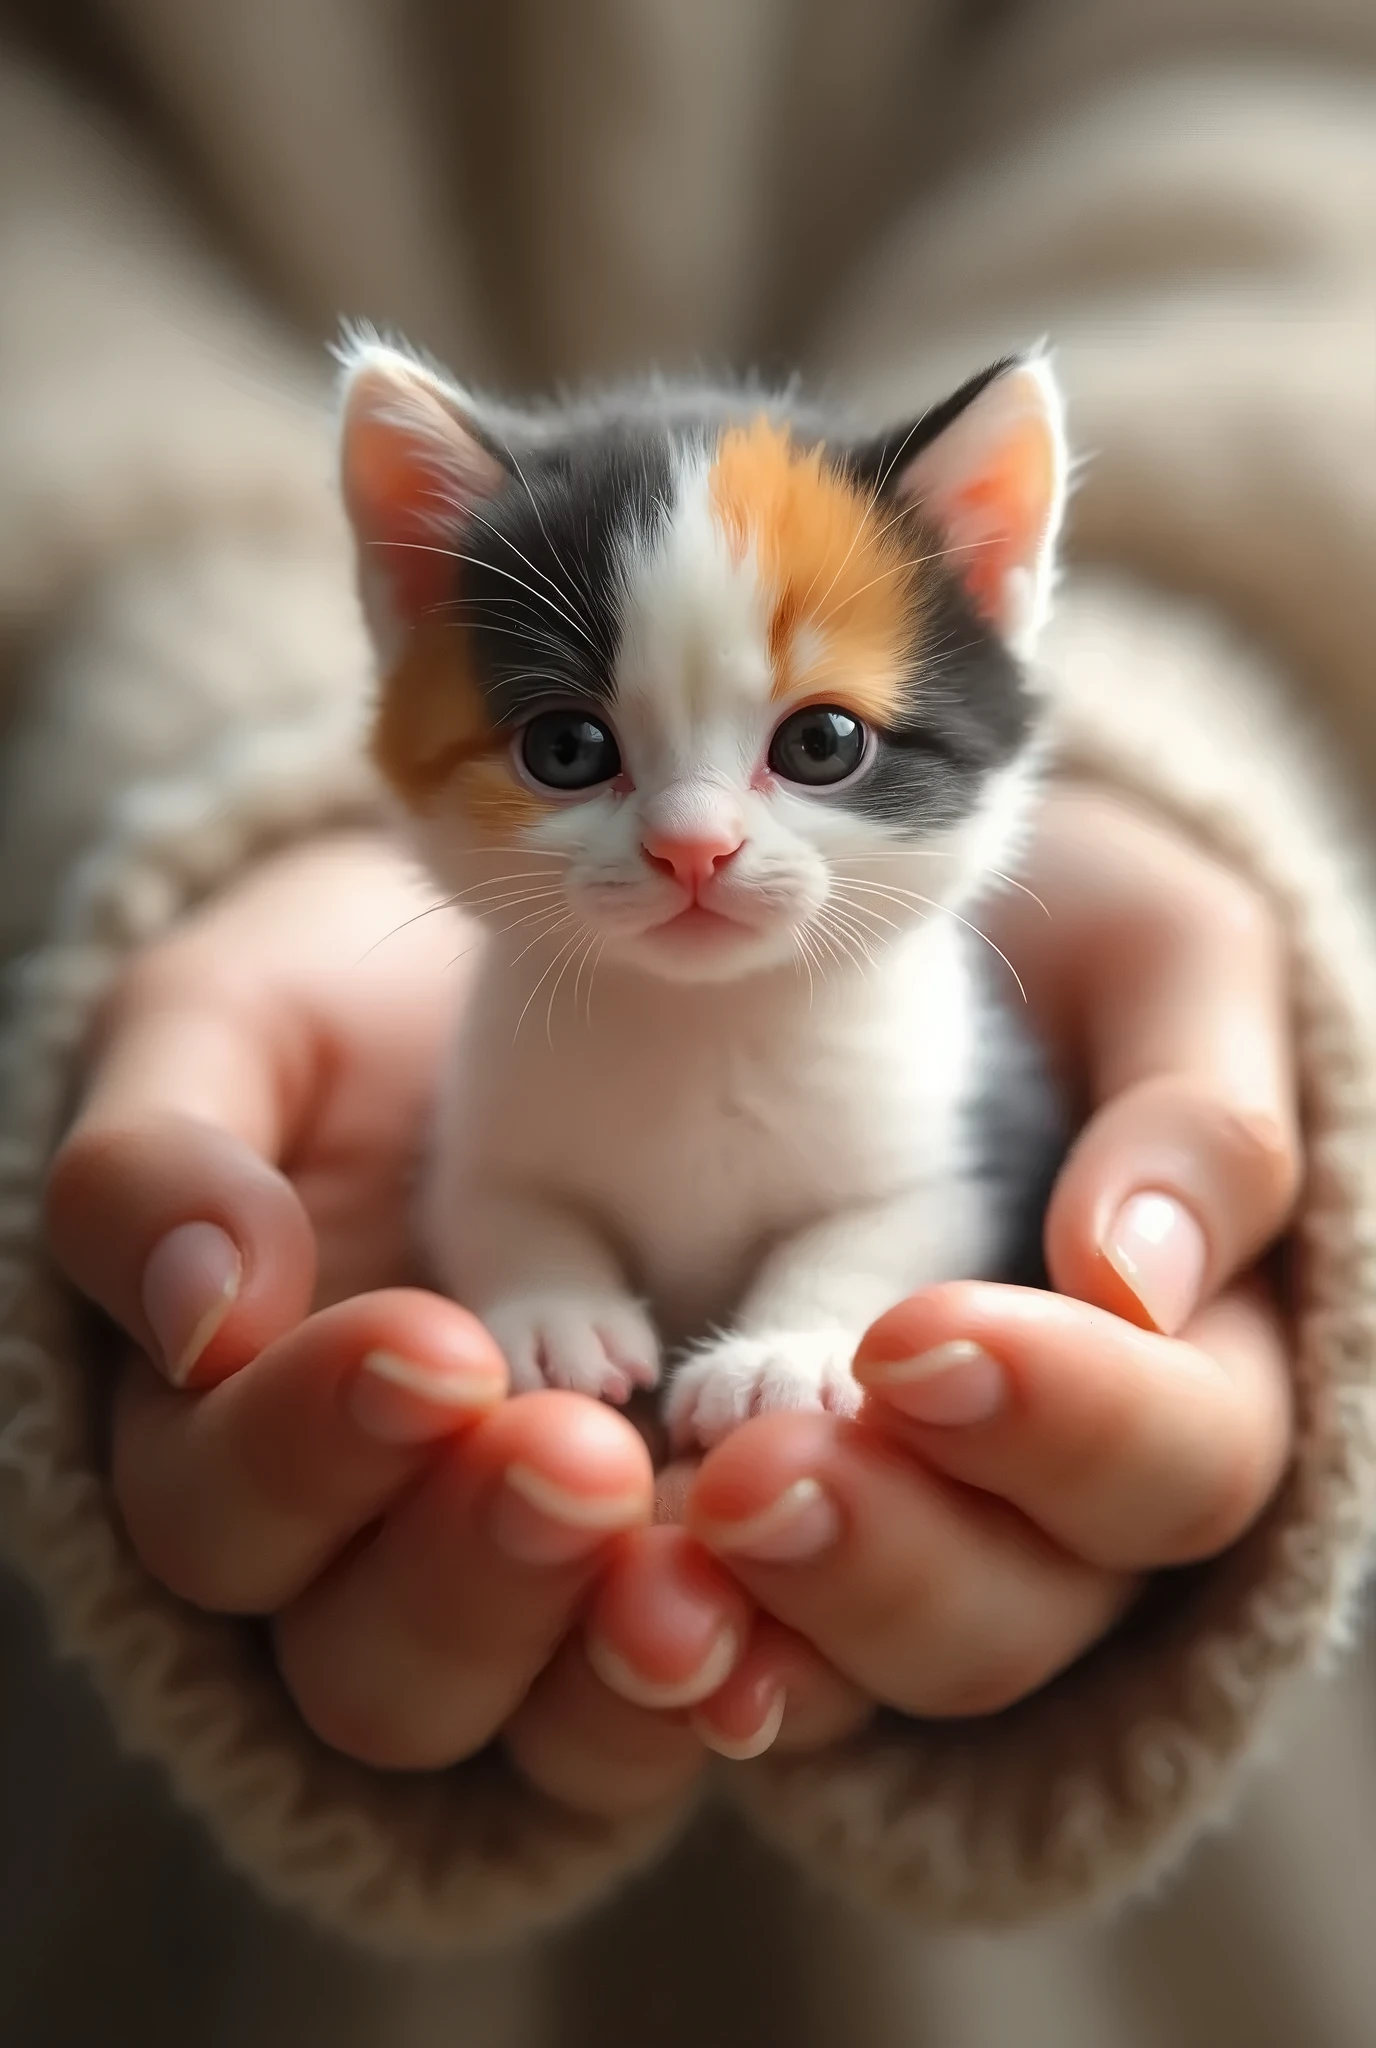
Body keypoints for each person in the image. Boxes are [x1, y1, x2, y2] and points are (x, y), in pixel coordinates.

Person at [1, 6, 1373, 2046]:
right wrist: (533, 1275)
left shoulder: (914, 1016)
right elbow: (505, 1186)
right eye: (575, 748)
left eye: (817, 744)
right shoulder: (510, 1029)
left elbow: (909, 1193)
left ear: (995, 598)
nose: (702, 837)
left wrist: (829, 1323)